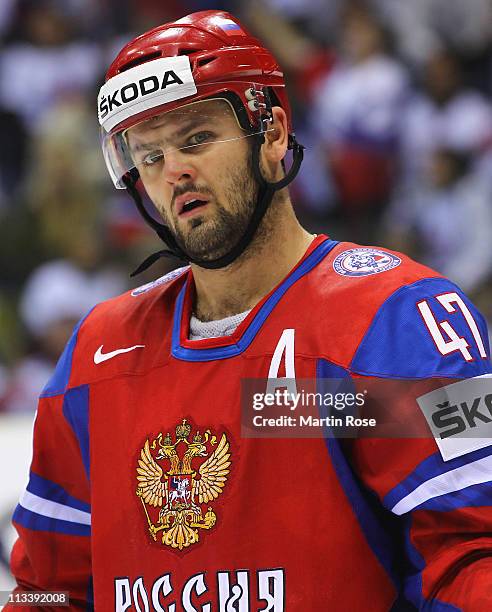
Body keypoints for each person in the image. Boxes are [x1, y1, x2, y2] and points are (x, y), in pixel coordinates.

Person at [6, 10, 492, 611]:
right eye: (148, 156)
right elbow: (47, 591)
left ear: (273, 134)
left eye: (196, 140)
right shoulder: (97, 357)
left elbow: (473, 557)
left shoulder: (406, 319)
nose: (173, 172)